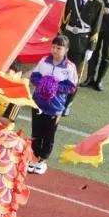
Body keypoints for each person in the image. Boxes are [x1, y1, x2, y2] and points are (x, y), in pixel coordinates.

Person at [28, 35, 78, 175]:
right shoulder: (44, 61)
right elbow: (34, 77)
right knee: (36, 131)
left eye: (59, 48)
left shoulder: (69, 67)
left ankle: (42, 160)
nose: (55, 50)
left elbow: (72, 87)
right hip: (38, 103)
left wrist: (55, 87)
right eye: (53, 47)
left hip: (55, 107)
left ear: (66, 50)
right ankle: (34, 157)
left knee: (49, 134)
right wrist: (43, 83)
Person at [57, 0, 102, 115]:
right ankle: (56, 98)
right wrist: (59, 41)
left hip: (82, 44)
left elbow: (96, 27)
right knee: (60, 71)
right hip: (67, 40)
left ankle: (68, 103)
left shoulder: (98, 4)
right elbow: (63, 21)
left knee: (73, 75)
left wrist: (91, 48)